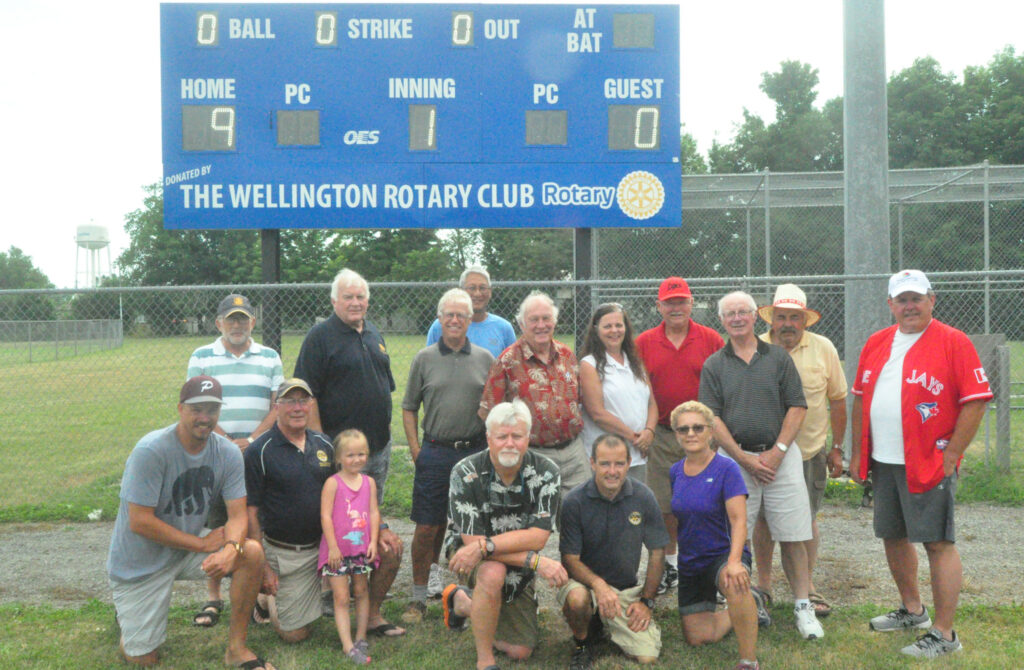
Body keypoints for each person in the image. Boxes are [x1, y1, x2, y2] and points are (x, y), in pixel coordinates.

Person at [851, 269, 992, 658]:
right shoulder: (877, 342)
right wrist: (859, 454)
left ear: (932, 300)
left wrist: (951, 454)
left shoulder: (953, 341)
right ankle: (914, 611)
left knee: (937, 543)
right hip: (884, 460)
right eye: (902, 299)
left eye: (917, 298)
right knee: (892, 535)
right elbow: (861, 397)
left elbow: (976, 400)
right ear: (890, 304)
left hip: (929, 460)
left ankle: (945, 635)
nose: (909, 305)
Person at [106, 376, 274, 670]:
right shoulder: (151, 450)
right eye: (197, 409)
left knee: (252, 553)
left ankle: (236, 649)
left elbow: (237, 515)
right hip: (140, 561)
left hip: (186, 549)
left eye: (211, 409)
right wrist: (201, 544)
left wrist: (232, 548)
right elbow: (140, 522)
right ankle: (128, 621)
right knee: (143, 659)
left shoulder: (227, 452)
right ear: (181, 409)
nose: (204, 417)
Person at [699, 291, 822, 640]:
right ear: (722, 321)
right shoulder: (714, 365)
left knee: (794, 535)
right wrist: (743, 458)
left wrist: (778, 452)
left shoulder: (779, 358)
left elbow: (797, 407)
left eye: (743, 312)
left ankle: (802, 606)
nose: (737, 319)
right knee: (734, 537)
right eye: (730, 314)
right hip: (735, 462)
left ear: (756, 317)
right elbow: (712, 417)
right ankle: (744, 603)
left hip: (780, 458)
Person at [292, 268, 406, 636]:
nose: (356, 302)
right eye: (348, 297)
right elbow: (306, 397)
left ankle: (366, 604)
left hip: (377, 450)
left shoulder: (373, 333)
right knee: (336, 523)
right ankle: (332, 593)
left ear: (367, 300)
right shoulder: (320, 337)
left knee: (367, 521)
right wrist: (324, 449)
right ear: (334, 301)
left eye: (361, 296)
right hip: (339, 457)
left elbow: (382, 387)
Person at [441, 399, 569, 670]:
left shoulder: (547, 472)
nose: (509, 443)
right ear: (489, 438)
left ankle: (462, 603)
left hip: (506, 556)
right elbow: (470, 545)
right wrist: (537, 562)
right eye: (502, 436)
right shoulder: (464, 471)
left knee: (520, 651)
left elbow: (538, 538)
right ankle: (485, 660)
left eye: (517, 436)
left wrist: (487, 545)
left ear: (528, 438)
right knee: (493, 572)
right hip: (468, 556)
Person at [187, 293, 284, 624]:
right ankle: (213, 598)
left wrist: (252, 440)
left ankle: (257, 593)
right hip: (215, 450)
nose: (238, 325)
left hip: (259, 453)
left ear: (253, 322)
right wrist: (228, 441)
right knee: (218, 524)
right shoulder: (201, 356)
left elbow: (278, 406)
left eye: (243, 319)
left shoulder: (270, 357)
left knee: (257, 522)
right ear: (219, 324)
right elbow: (197, 407)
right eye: (231, 319)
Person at [753, 284, 848, 617]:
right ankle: (762, 587)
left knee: (805, 521)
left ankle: (807, 587)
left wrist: (836, 448)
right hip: (762, 453)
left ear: (805, 321)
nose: (788, 324)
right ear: (771, 319)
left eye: (795, 317)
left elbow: (837, 399)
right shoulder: (754, 347)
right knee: (763, 520)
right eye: (782, 317)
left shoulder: (824, 349)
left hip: (808, 452)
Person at [402, 288, 494, 621]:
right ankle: (417, 596)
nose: (455, 320)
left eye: (461, 315)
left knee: (474, 525)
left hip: (474, 453)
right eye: (449, 315)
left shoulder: (485, 358)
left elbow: (495, 405)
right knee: (428, 525)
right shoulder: (424, 358)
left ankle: (471, 593)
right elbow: (409, 408)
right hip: (435, 451)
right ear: (440, 319)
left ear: (471, 320)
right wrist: (416, 449)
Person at [635, 276, 724, 595]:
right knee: (664, 505)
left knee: (704, 504)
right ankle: (670, 566)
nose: (676, 307)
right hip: (661, 433)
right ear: (659, 306)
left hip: (701, 435)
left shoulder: (710, 338)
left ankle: (704, 566)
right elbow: (639, 389)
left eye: (682, 301)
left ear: (691, 303)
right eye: (669, 302)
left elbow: (722, 384)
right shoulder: (644, 342)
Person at [558, 434, 669, 669]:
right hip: (585, 585)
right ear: (592, 463)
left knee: (648, 656)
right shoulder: (574, 501)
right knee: (577, 600)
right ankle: (582, 645)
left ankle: (600, 623)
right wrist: (598, 585)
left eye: (619, 463)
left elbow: (658, 551)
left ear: (629, 463)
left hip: (624, 590)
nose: (612, 471)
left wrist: (646, 601)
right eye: (605, 463)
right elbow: (569, 559)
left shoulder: (644, 497)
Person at [669, 401, 761, 670]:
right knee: (698, 636)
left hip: (723, 554)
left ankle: (748, 661)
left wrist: (734, 562)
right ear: (676, 434)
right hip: (691, 562)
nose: (690, 433)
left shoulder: (726, 468)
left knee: (734, 583)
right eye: (683, 428)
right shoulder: (675, 471)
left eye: (698, 427)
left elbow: (739, 519)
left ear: (710, 431)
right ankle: (747, 607)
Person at [243, 378, 334, 643]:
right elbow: (251, 511)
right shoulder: (259, 451)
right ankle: (265, 596)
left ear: (311, 405)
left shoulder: (324, 444)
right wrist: (263, 567)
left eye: (303, 401)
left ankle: (298, 594)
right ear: (276, 407)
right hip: (284, 554)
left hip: (322, 549)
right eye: (289, 401)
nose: (297, 408)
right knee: (294, 635)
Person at [480, 291, 588, 498]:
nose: (541, 325)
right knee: (537, 520)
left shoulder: (567, 355)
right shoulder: (507, 361)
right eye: (534, 320)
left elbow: (579, 400)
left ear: (554, 321)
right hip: (533, 455)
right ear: (522, 325)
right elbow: (489, 413)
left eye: (546, 318)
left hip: (574, 453)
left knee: (579, 516)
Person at [579, 303, 658, 482]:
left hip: (637, 457)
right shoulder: (589, 364)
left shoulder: (635, 362)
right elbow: (597, 413)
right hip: (607, 458)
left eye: (619, 325)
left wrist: (649, 432)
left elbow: (651, 403)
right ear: (596, 330)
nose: (614, 331)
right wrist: (636, 438)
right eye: (607, 326)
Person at [320, 430, 380, 665]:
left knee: (361, 591)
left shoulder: (369, 482)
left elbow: (374, 512)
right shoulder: (332, 483)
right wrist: (333, 547)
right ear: (339, 458)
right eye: (350, 455)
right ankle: (347, 646)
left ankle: (361, 637)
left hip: (361, 549)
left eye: (361, 454)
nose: (357, 459)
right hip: (337, 552)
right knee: (342, 597)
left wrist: (373, 540)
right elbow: (325, 516)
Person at [425, 265, 517, 357]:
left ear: (490, 292)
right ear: (461, 291)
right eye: (472, 288)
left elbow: (513, 367)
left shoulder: (504, 328)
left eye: (483, 288)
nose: (477, 293)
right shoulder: (443, 325)